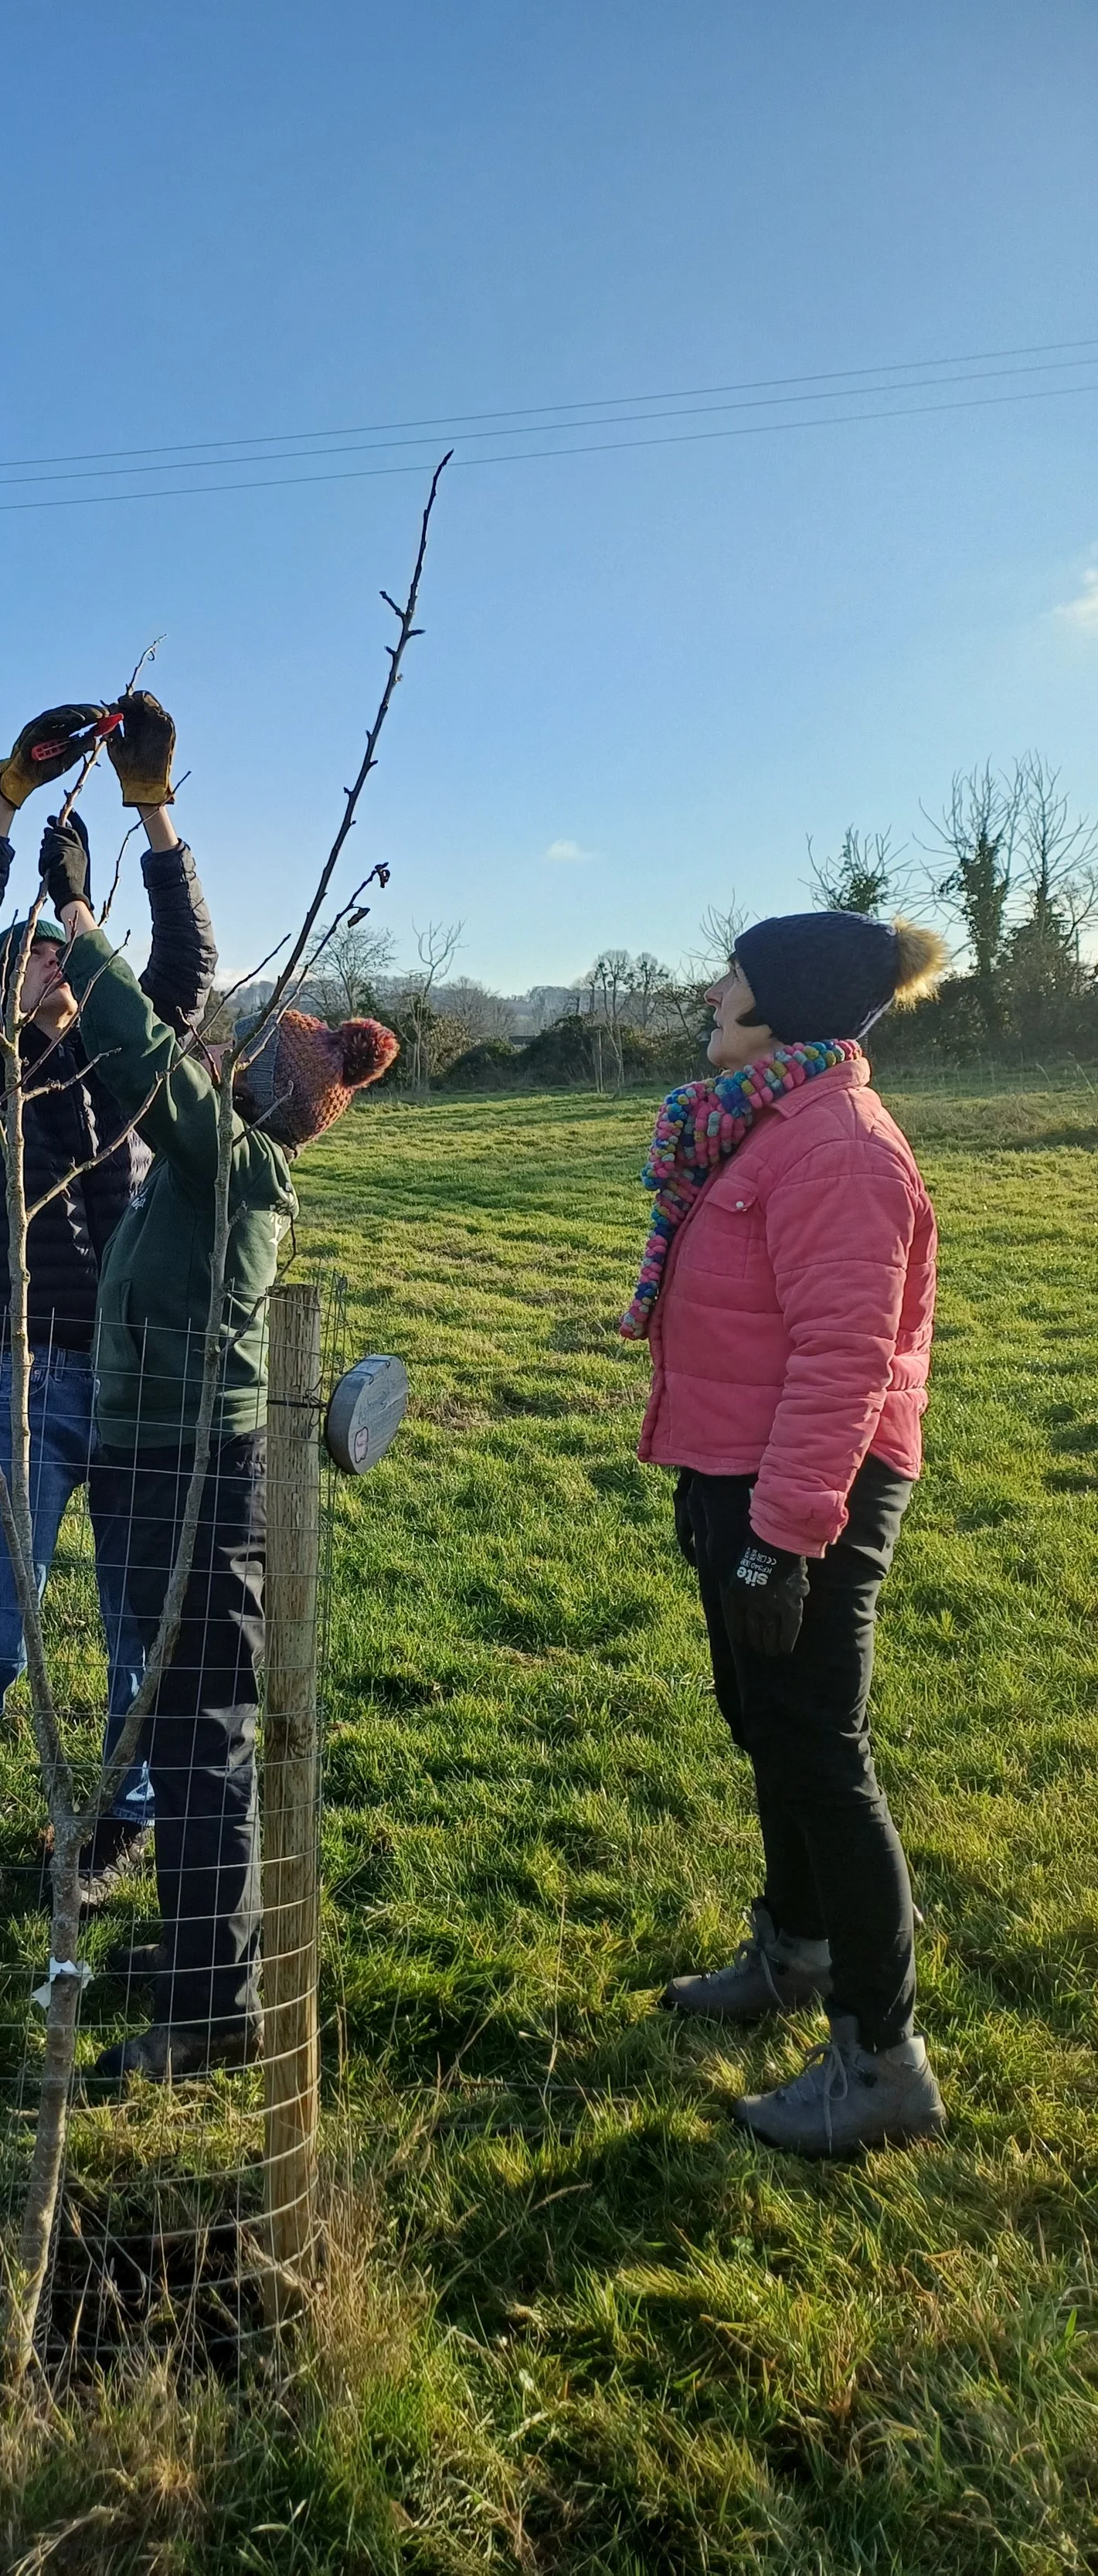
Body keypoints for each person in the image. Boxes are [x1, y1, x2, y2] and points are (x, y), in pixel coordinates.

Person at [0, 692, 218, 2003]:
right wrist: (5, 803)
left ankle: (123, 1812)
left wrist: (146, 815)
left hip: (133, 1383)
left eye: (68, 965)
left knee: (139, 1626)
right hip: (31, 1381)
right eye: (33, 964)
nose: (54, 976)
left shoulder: (124, 1068)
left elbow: (181, 972)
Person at [51, 842, 398, 2081]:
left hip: (203, 1465)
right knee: (179, 1716)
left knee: (199, 1730)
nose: (230, 1061)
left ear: (273, 1095)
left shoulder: (244, 1166)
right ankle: (208, 1952)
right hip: (158, 1458)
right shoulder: (210, 1164)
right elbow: (155, 1068)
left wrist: (86, 928)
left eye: (251, 1062)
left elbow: (153, 1062)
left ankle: (216, 2005)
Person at [621, 910, 950, 2153]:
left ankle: (881, 2064)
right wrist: (713, 1490)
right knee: (763, 1721)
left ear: (784, 1006)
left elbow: (843, 1360)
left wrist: (784, 1538)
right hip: (742, 1474)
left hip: (811, 1484)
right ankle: (796, 1952)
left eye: (735, 977)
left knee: (820, 1750)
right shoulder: (764, 1121)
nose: (712, 990)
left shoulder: (840, 1151)